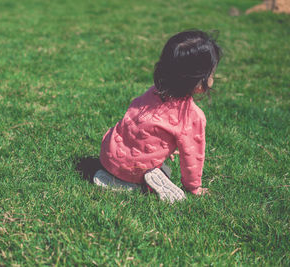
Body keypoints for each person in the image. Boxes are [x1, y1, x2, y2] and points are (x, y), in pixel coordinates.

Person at [94, 30, 222, 203]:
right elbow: (192, 158)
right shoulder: (192, 116)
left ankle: (117, 174)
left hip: (108, 153)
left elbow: (135, 126)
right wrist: (193, 187)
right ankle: (135, 182)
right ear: (200, 83)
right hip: (133, 167)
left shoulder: (153, 92)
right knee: (162, 172)